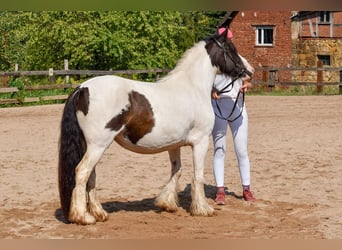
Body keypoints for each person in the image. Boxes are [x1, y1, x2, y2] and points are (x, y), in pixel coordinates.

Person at [211, 27, 256, 205]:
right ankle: (220, 190)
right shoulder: (213, 63)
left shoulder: (239, 59)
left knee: (241, 151)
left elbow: (248, 77)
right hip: (219, 109)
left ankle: (246, 189)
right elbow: (204, 84)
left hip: (238, 109)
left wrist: (247, 85)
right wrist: (211, 91)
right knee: (219, 150)